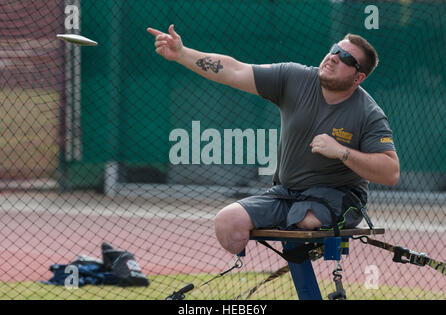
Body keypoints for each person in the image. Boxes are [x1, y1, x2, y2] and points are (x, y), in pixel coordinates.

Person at [147, 25, 400, 255]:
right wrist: (181, 53)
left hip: (338, 197)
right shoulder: (294, 78)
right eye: (334, 50)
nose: (333, 57)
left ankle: (303, 242)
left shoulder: (369, 113)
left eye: (345, 58)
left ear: (358, 78)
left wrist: (342, 152)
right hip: (286, 193)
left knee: (308, 220)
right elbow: (235, 69)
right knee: (228, 224)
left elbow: (391, 173)